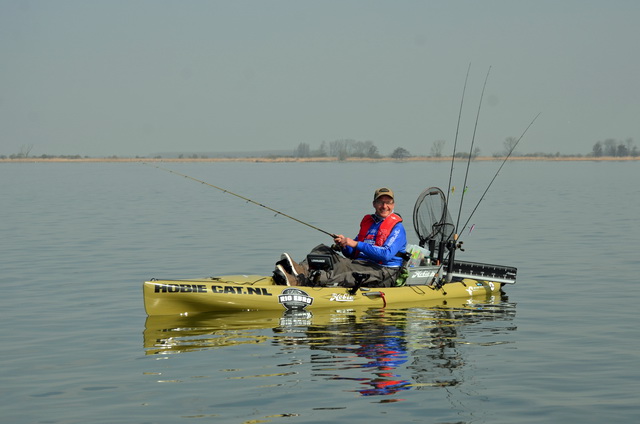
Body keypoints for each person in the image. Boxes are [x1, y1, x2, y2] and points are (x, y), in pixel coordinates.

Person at [274, 187, 407, 288]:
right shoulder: (370, 223)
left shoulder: (397, 228)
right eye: (380, 202)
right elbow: (352, 253)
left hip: (385, 271)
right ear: (374, 204)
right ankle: (299, 270)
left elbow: (386, 255)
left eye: (388, 202)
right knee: (322, 250)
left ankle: (298, 281)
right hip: (360, 264)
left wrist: (355, 244)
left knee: (343, 275)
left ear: (393, 204)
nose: (384, 206)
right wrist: (344, 245)